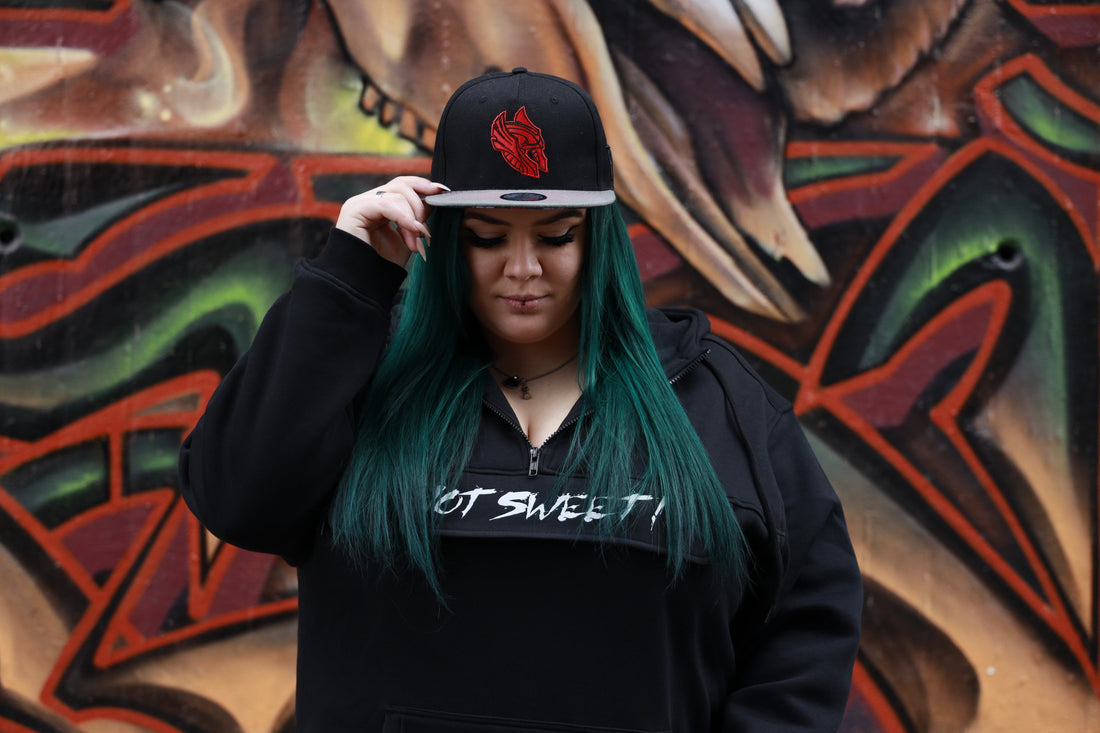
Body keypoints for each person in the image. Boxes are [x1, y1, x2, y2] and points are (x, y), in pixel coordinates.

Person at [179, 68, 862, 732]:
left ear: (600, 240)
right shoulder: (360, 380)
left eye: (557, 236)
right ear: (447, 240)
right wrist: (351, 275)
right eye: (487, 237)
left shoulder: (713, 401)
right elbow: (236, 496)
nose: (524, 269)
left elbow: (808, 608)